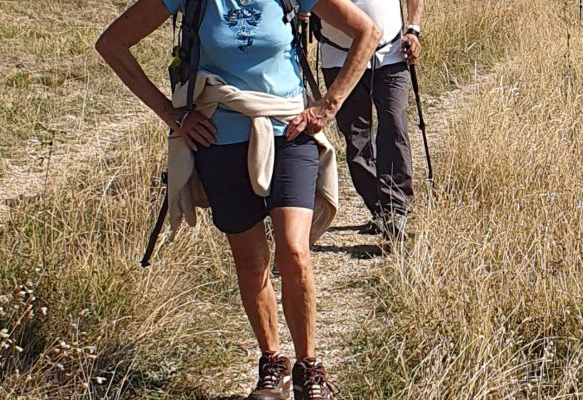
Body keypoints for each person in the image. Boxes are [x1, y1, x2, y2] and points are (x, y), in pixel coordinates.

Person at [95, 0, 381, 398]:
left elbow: (368, 32)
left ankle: (309, 369)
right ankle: (273, 365)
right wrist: (173, 115)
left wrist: (326, 107)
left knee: (294, 250)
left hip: (289, 131)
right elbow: (111, 44)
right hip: (219, 139)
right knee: (249, 258)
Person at [313, 0, 422, 243]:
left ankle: (396, 208)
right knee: (355, 136)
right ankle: (379, 208)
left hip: (391, 52)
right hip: (339, 58)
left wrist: (413, 30)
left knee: (394, 125)